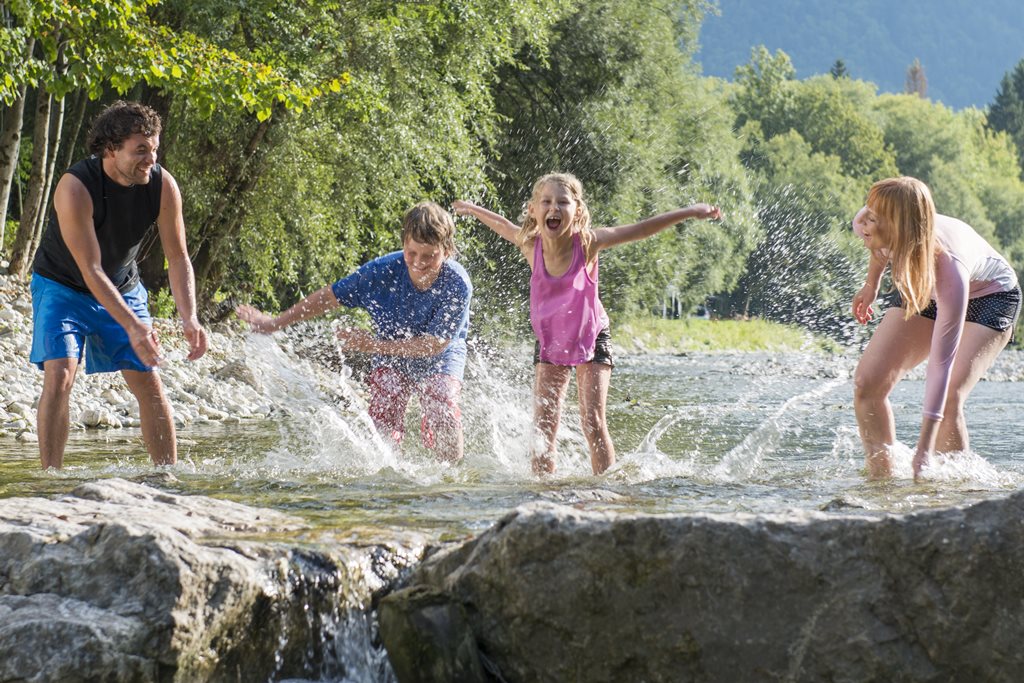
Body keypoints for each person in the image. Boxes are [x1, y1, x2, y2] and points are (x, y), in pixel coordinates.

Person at [455, 173, 721, 475]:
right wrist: (471, 208)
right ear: (533, 210)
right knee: (543, 426)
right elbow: (504, 225)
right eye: (546, 202)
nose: (554, 208)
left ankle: (605, 490)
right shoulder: (530, 245)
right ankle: (543, 494)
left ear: (577, 211)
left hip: (591, 336)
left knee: (592, 421)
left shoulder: (589, 243)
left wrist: (690, 211)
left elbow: (641, 229)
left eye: (563, 203)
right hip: (552, 339)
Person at [30, 100, 208, 469]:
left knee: (148, 381)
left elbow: (178, 257)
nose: (151, 159)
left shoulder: (162, 185)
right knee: (61, 374)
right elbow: (90, 268)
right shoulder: (75, 187)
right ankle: (51, 478)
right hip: (63, 288)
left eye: (155, 149)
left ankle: (166, 477)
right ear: (110, 149)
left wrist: (189, 317)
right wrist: (133, 324)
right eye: (140, 150)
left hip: (124, 287)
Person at [236, 202, 472, 463]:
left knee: (442, 404)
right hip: (391, 354)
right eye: (411, 252)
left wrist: (370, 345)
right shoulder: (381, 272)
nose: (418, 263)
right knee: (385, 406)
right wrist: (274, 323)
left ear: (447, 251)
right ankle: (391, 476)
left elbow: (433, 345)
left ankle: (451, 479)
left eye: (429, 256)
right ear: (404, 244)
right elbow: (328, 297)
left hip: (440, 356)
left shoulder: (457, 283)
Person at [850, 176, 1021, 480]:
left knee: (951, 394)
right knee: (868, 382)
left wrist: (921, 452)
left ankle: (951, 492)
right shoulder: (868, 221)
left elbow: (939, 366)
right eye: (867, 214)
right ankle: (882, 485)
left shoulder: (950, 270)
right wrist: (871, 284)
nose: (864, 224)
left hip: (990, 295)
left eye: (874, 219)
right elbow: (877, 246)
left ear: (898, 226)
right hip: (922, 280)